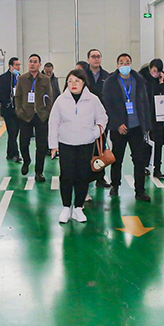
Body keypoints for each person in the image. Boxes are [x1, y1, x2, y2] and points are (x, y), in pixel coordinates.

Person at [48, 69, 108, 224]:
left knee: (83, 176)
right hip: (66, 144)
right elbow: (53, 122)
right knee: (66, 176)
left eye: (77, 81)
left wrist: (94, 133)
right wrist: (53, 145)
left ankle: (78, 208)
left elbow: (103, 117)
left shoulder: (93, 100)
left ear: (83, 83)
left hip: (86, 144)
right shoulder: (61, 100)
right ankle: (66, 207)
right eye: (70, 81)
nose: (73, 84)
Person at [103, 53, 152, 202]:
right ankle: (115, 185)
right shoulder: (110, 82)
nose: (125, 65)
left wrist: (146, 125)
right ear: (117, 65)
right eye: (122, 62)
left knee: (139, 159)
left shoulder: (139, 80)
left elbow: (145, 103)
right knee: (117, 158)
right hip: (119, 128)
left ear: (131, 64)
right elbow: (108, 105)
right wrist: (118, 123)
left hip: (136, 126)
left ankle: (140, 190)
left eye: (127, 62)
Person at [15, 53, 54, 182]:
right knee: (23, 143)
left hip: (41, 116)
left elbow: (49, 97)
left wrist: (47, 112)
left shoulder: (45, 79)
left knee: (41, 146)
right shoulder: (22, 79)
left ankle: (39, 171)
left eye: (35, 61)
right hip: (26, 115)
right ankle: (26, 161)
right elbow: (18, 97)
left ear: (39, 64)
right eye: (30, 61)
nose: (32, 64)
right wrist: (19, 111)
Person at [86, 49, 111, 189]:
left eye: (98, 56)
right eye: (93, 56)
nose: (96, 59)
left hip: (102, 118)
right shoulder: (82, 75)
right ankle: (85, 177)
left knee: (101, 149)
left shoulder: (107, 76)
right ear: (88, 59)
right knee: (86, 148)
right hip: (85, 118)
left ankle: (100, 177)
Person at [140, 59, 164, 180]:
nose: (155, 74)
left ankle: (157, 168)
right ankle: (144, 166)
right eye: (154, 71)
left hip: (158, 117)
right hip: (145, 116)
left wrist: (162, 83)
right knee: (145, 143)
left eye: (158, 72)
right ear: (150, 68)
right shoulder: (142, 79)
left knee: (159, 142)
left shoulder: (160, 81)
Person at [0, 57, 22, 163]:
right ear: (11, 66)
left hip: (18, 110)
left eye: (19, 65)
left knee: (14, 133)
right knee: (12, 131)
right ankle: (16, 154)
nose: (18, 67)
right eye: (16, 65)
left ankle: (9, 153)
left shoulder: (20, 78)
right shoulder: (3, 78)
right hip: (8, 110)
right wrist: (7, 103)